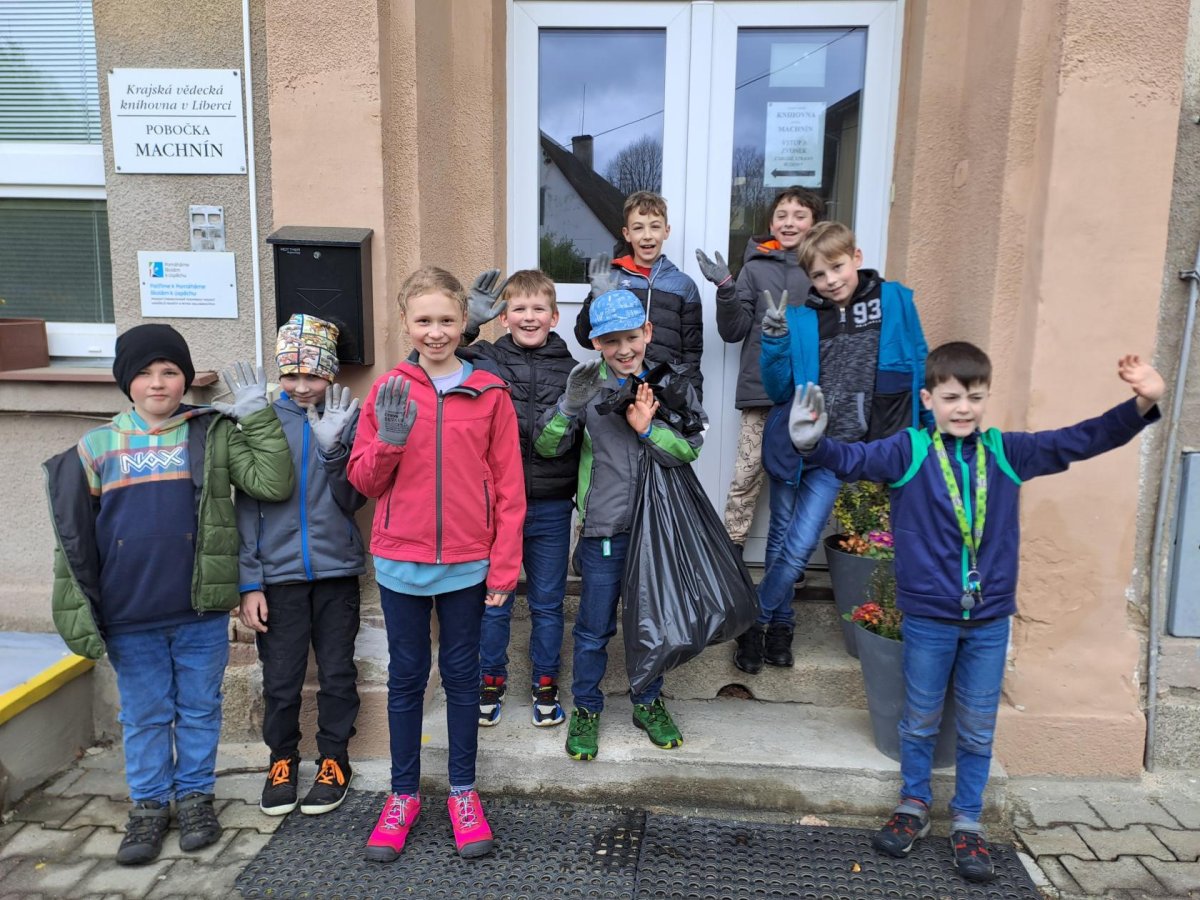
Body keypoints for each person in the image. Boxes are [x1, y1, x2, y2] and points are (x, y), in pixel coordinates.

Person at [787, 342, 1163, 882]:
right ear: (928, 400)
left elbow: (1080, 439)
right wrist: (814, 443)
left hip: (988, 622)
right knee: (918, 719)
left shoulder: (1006, 453)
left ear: (986, 398)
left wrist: (1142, 405)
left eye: (974, 397)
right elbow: (854, 460)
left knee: (978, 729)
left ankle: (967, 822)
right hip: (928, 618)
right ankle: (913, 804)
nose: (963, 407)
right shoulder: (909, 451)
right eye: (951, 397)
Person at [43, 325, 294, 866]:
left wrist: (256, 416)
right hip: (129, 614)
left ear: (185, 379)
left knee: (200, 709)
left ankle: (197, 797)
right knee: (145, 715)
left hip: (199, 610)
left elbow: (273, 483)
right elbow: (74, 541)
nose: (158, 383)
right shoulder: (96, 447)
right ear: (125, 382)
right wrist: (82, 612)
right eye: (144, 373)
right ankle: (150, 805)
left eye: (170, 371)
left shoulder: (210, 433)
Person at [347, 266, 525, 862]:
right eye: (424, 320)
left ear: (464, 321)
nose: (436, 331)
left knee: (463, 677)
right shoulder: (389, 390)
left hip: (469, 564)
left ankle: (463, 792)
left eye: (447, 319)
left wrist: (504, 567)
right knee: (406, 676)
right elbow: (363, 480)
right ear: (406, 323)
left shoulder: (491, 394)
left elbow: (509, 488)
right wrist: (389, 441)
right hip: (401, 560)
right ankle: (402, 795)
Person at [748, 221, 929, 674]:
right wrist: (774, 342)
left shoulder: (894, 302)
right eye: (819, 274)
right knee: (781, 538)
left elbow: (918, 367)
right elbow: (779, 388)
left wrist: (929, 434)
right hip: (799, 446)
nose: (830, 280)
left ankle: (753, 619)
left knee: (797, 547)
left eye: (837, 267)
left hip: (842, 451)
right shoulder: (802, 318)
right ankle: (779, 625)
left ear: (856, 258)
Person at [537, 289, 705, 760]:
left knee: (651, 623)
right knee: (593, 629)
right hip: (604, 532)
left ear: (647, 332)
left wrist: (648, 429)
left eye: (632, 337)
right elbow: (548, 447)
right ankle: (587, 707)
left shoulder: (670, 384)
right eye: (611, 341)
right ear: (595, 342)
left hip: (657, 530)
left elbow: (689, 449)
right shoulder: (586, 384)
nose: (624, 349)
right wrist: (569, 407)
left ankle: (648, 702)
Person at [236, 314, 367, 818]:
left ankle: (334, 759)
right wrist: (250, 581)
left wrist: (335, 452)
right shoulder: (261, 421)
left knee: (337, 672)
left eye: (312, 375)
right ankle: (282, 761)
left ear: (329, 374)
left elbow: (354, 497)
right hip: (278, 576)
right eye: (291, 375)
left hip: (336, 572)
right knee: (282, 677)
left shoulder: (347, 418)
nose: (301, 385)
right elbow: (246, 505)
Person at [461, 268, 581, 729]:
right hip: (497, 507)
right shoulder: (485, 358)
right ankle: (490, 680)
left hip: (551, 505)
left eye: (538, 309)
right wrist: (468, 326)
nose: (529, 317)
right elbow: (428, 362)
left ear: (554, 316)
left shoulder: (571, 368)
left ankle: (545, 684)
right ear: (503, 316)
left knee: (548, 603)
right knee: (496, 599)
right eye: (519, 309)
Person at [695, 186, 824, 560]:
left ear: (815, 223)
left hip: (807, 394)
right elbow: (733, 330)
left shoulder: (823, 268)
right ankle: (731, 556)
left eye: (799, 215)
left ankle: (792, 561)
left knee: (802, 478)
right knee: (746, 475)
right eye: (781, 215)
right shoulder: (755, 268)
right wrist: (726, 289)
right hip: (761, 391)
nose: (789, 222)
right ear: (771, 222)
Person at [573, 190, 705, 399]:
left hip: (666, 390)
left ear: (666, 231)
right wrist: (595, 298)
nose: (647, 235)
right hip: (616, 388)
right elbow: (584, 338)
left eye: (655, 226)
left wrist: (692, 401)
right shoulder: (611, 280)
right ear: (627, 234)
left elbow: (692, 354)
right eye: (638, 228)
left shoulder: (684, 286)